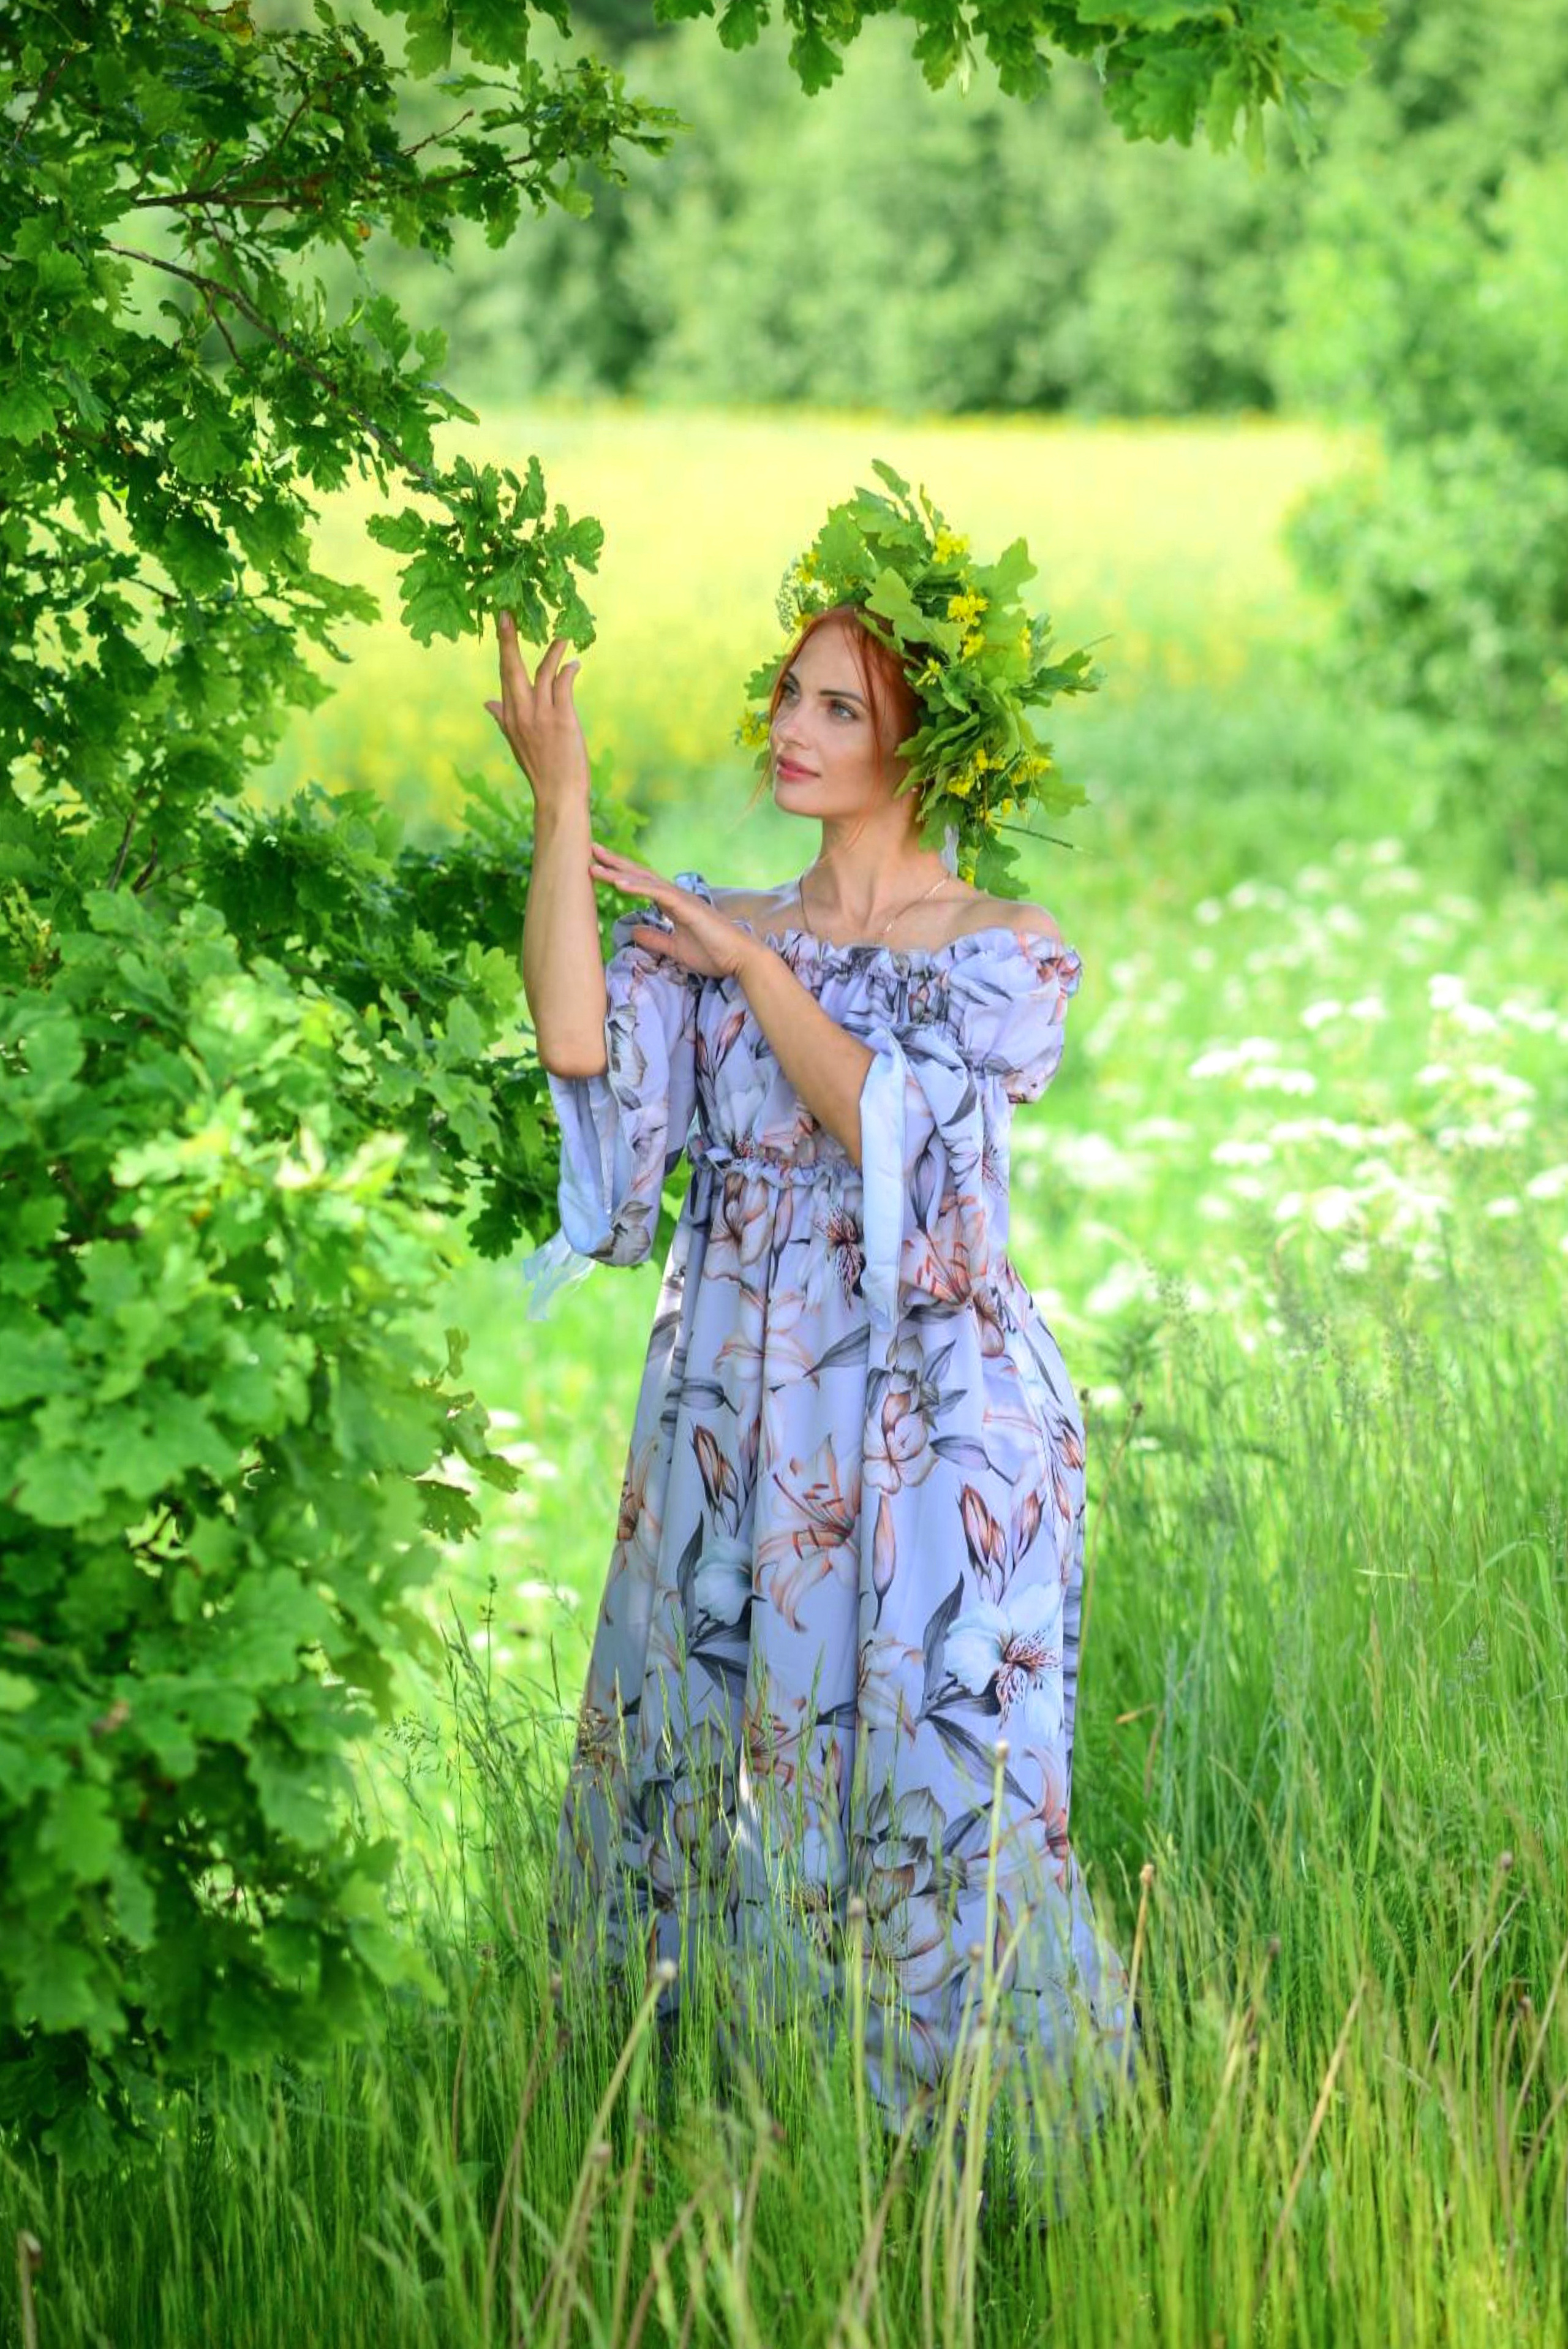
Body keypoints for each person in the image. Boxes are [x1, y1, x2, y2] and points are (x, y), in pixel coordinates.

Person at [492, 474, 1141, 2157]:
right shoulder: (727, 924)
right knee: (712, 1765)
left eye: (838, 705)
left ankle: (996, 2162)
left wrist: (759, 970)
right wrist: (561, 805)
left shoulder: (999, 952)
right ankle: (738, 2141)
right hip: (744, 1421)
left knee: (939, 1788)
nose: (792, 724)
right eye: (790, 690)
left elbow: (903, 1147)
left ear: (919, 743)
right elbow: (578, 1039)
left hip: (938, 1433)